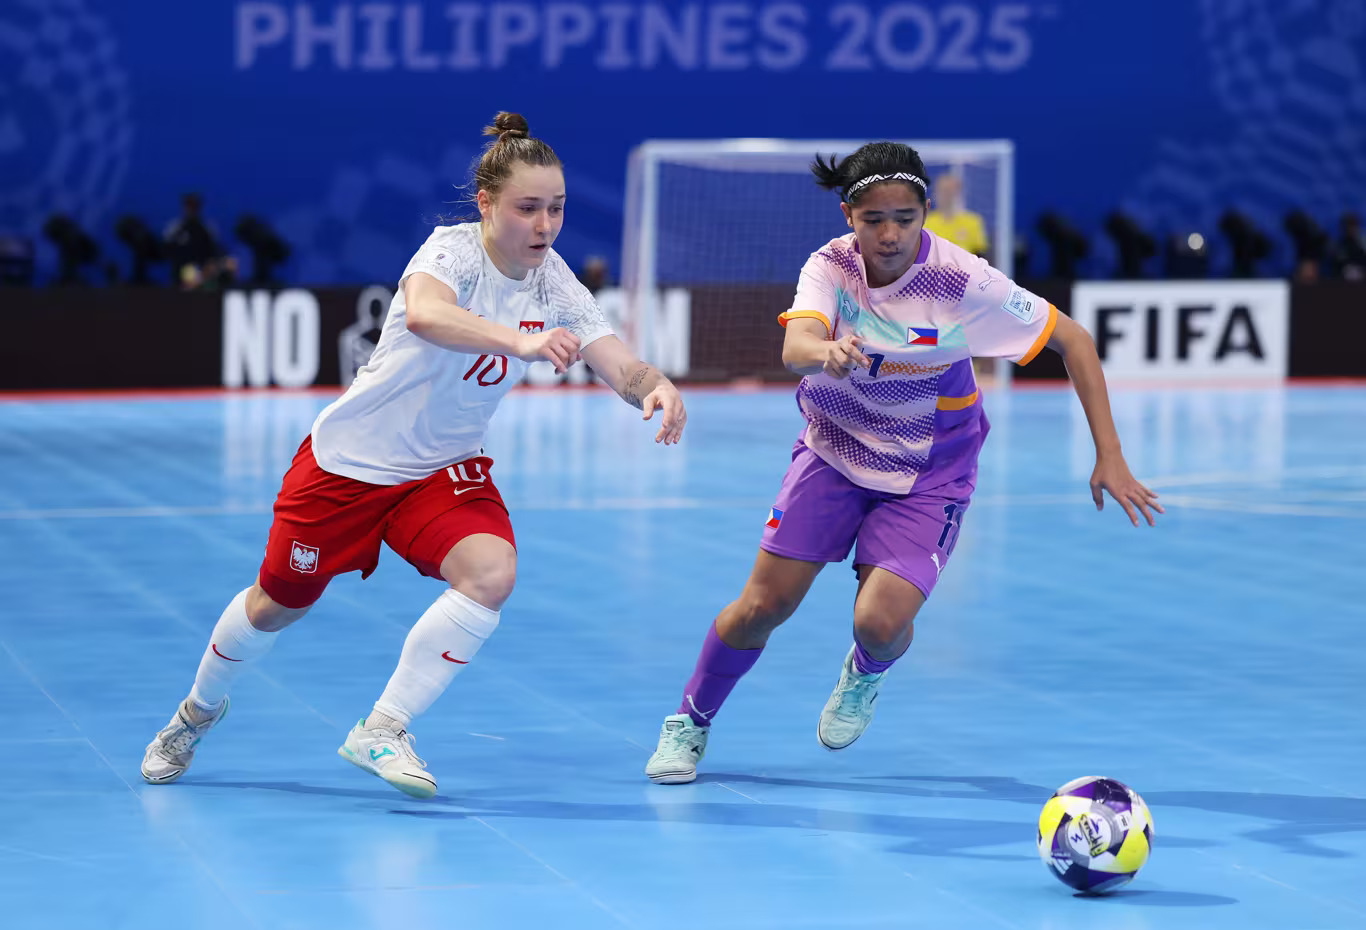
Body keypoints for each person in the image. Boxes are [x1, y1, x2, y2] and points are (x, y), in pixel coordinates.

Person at [141, 112, 687, 799]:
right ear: (486, 204)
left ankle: (383, 727)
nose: (545, 225)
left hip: (440, 469)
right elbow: (428, 315)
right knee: (277, 604)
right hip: (348, 466)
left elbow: (619, 363)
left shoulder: (555, 282)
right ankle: (195, 713)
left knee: (491, 573)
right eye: (527, 208)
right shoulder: (449, 252)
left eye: (556, 208)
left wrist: (654, 385)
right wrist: (517, 341)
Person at [643, 142, 1160, 784]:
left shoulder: (963, 281)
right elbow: (796, 345)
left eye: (905, 218)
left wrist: (1110, 455)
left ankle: (865, 671)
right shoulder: (831, 266)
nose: (889, 235)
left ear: (926, 213)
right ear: (848, 216)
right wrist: (827, 350)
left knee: (880, 623)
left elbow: (1073, 340)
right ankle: (690, 721)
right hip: (834, 450)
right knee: (762, 606)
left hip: (930, 469)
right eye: (873, 220)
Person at [923, 173, 989, 259]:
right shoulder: (925, 222)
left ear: (958, 193)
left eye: (949, 191)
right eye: (941, 191)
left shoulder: (973, 221)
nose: (945, 196)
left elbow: (980, 255)